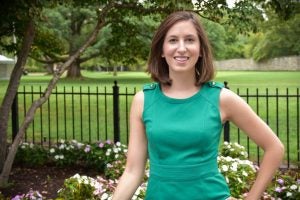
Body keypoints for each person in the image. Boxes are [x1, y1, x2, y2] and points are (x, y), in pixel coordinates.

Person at [112, 11, 284, 200]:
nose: (182, 48)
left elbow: (274, 148)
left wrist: (252, 198)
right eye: (173, 40)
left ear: (201, 49)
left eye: (190, 40)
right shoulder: (143, 101)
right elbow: (132, 172)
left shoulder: (221, 98)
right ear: (161, 50)